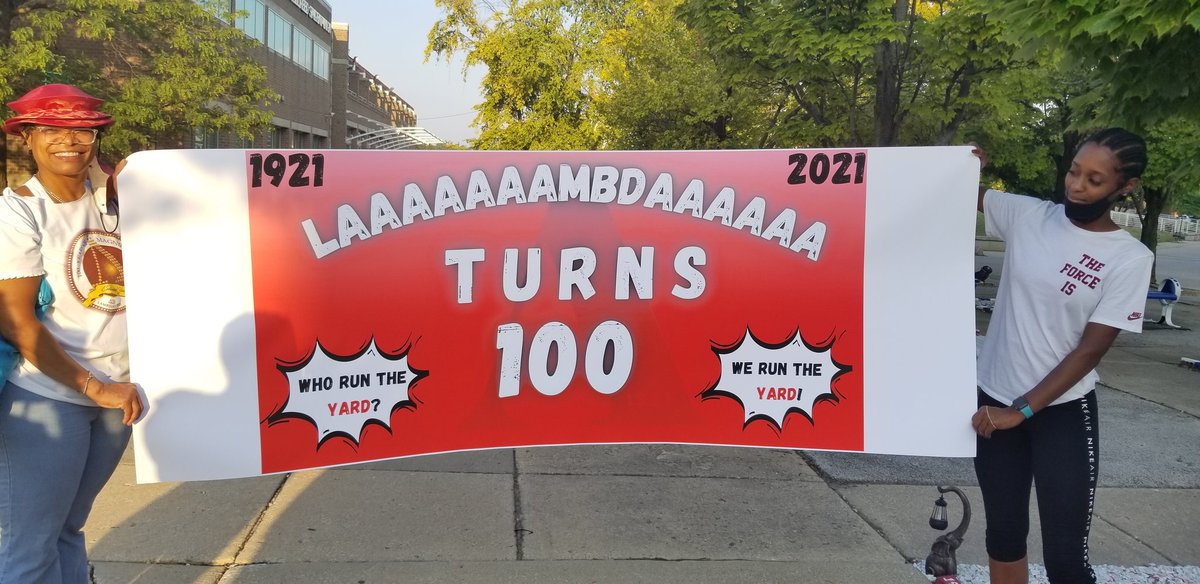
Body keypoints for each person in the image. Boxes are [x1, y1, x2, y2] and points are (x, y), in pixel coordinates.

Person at [970, 129, 1153, 584]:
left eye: (1094, 180)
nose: (1076, 186)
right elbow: (961, 193)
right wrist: (961, 166)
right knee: (1004, 537)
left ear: (1125, 187)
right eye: (1074, 171)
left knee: (1066, 560)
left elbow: (1090, 350)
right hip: (993, 401)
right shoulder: (1029, 215)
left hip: (1062, 413)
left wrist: (1021, 410)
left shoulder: (1130, 257)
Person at [0, 83, 144, 583]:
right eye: (51, 130)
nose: (69, 141)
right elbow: (15, 320)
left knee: (68, 527)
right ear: (27, 137)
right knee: (30, 544)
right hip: (49, 397)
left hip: (118, 394)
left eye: (82, 130)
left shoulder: (116, 201)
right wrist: (92, 386)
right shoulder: (18, 212)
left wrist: (140, 185)